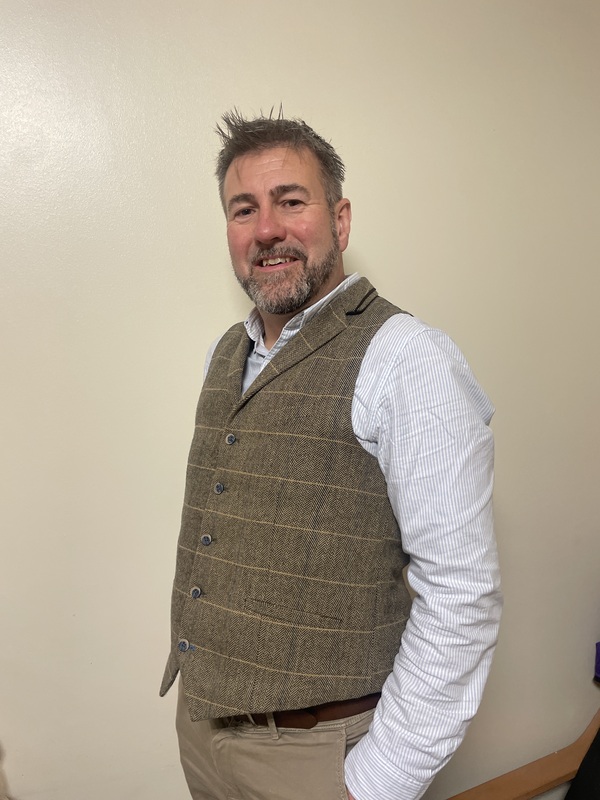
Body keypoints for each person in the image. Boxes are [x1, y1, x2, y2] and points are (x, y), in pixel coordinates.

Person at [161, 111, 502, 800]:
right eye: (244, 210)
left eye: (291, 201)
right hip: (202, 738)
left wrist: (377, 783)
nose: (266, 229)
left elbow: (462, 592)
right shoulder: (226, 353)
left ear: (340, 222)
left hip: (317, 758)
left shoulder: (408, 358)